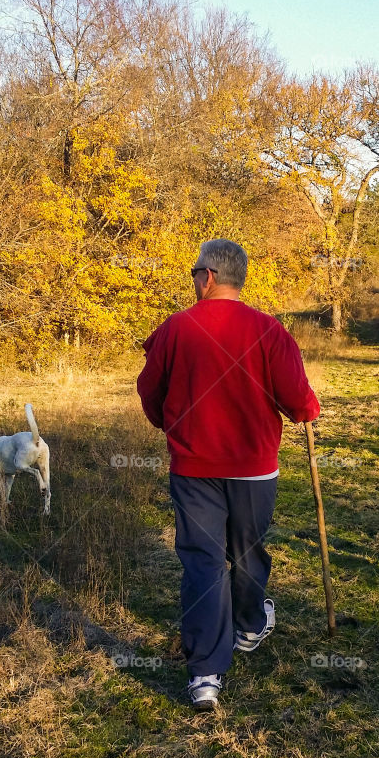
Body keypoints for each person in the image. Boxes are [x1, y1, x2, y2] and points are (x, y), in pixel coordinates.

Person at [137, 238, 320, 711]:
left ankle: (205, 674)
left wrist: (168, 423)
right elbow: (298, 400)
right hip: (254, 470)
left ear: (209, 277)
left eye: (195, 271)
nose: (193, 280)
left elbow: (150, 390)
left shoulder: (176, 328)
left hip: (194, 468)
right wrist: (308, 409)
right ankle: (249, 625)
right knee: (246, 549)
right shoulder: (269, 330)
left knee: (203, 560)